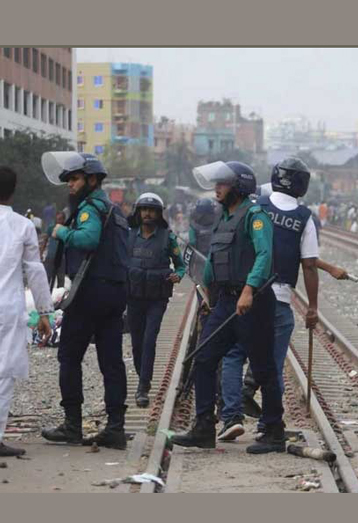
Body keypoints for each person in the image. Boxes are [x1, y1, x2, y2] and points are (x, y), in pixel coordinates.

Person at [171, 161, 285, 454]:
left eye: (222, 184)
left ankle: (274, 431)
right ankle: (203, 428)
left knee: (263, 367)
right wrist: (208, 294)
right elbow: (213, 259)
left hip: (253, 302)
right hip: (224, 302)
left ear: (239, 187)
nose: (217, 188)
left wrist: (249, 289)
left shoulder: (255, 216)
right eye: (217, 183)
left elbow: (264, 255)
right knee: (204, 358)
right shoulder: (222, 218)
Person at [217, 158, 319, 442]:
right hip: (280, 300)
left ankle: (231, 417)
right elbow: (310, 265)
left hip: (246, 295)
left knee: (233, 355)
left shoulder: (254, 206)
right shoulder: (305, 218)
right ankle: (268, 425)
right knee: (272, 365)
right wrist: (312, 307)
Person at [39, 152, 131, 450]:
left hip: (90, 293)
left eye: (75, 179)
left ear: (92, 180)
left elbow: (88, 239)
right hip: (114, 294)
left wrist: (61, 231)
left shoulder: (90, 209)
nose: (70, 185)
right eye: (68, 180)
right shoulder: (114, 210)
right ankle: (115, 428)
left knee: (69, 356)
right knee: (112, 362)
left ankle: (72, 425)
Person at [0, 167, 53, 457]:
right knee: (4, 372)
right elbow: (35, 272)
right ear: (13, 191)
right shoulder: (22, 226)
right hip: (8, 308)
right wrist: (44, 313)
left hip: (9, 310)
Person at [126, 193, 186, 408]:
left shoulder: (167, 238)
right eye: (144, 209)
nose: (147, 214)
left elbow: (180, 265)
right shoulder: (129, 236)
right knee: (136, 343)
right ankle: (143, 376)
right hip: (133, 297)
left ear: (159, 214)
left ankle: (143, 386)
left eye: (151, 210)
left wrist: (178, 275)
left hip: (157, 298)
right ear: (138, 212)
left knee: (149, 339)